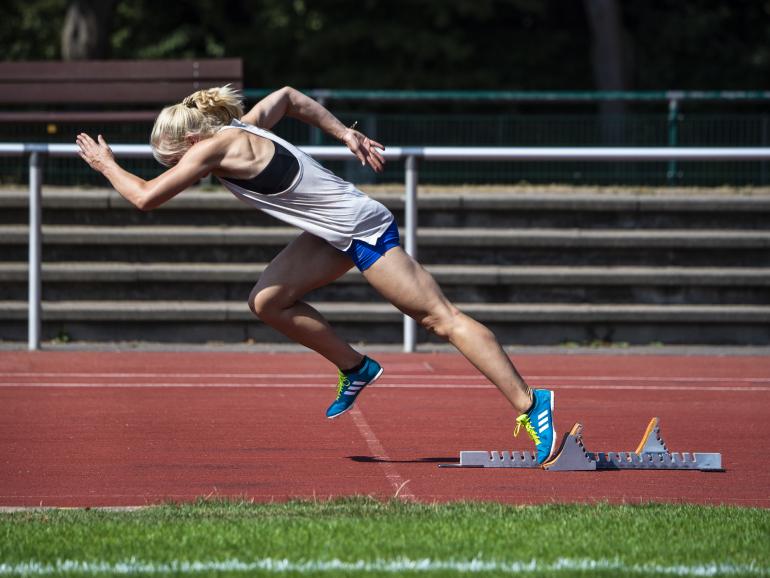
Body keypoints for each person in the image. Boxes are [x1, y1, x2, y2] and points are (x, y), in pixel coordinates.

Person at [76, 85, 557, 463]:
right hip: (332, 234)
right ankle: (356, 367)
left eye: (176, 160)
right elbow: (288, 96)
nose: (182, 169)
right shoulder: (243, 126)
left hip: (362, 230)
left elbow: (144, 197)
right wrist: (344, 133)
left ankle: (531, 403)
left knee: (440, 320)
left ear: (193, 142)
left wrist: (105, 165)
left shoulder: (213, 149)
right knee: (267, 302)